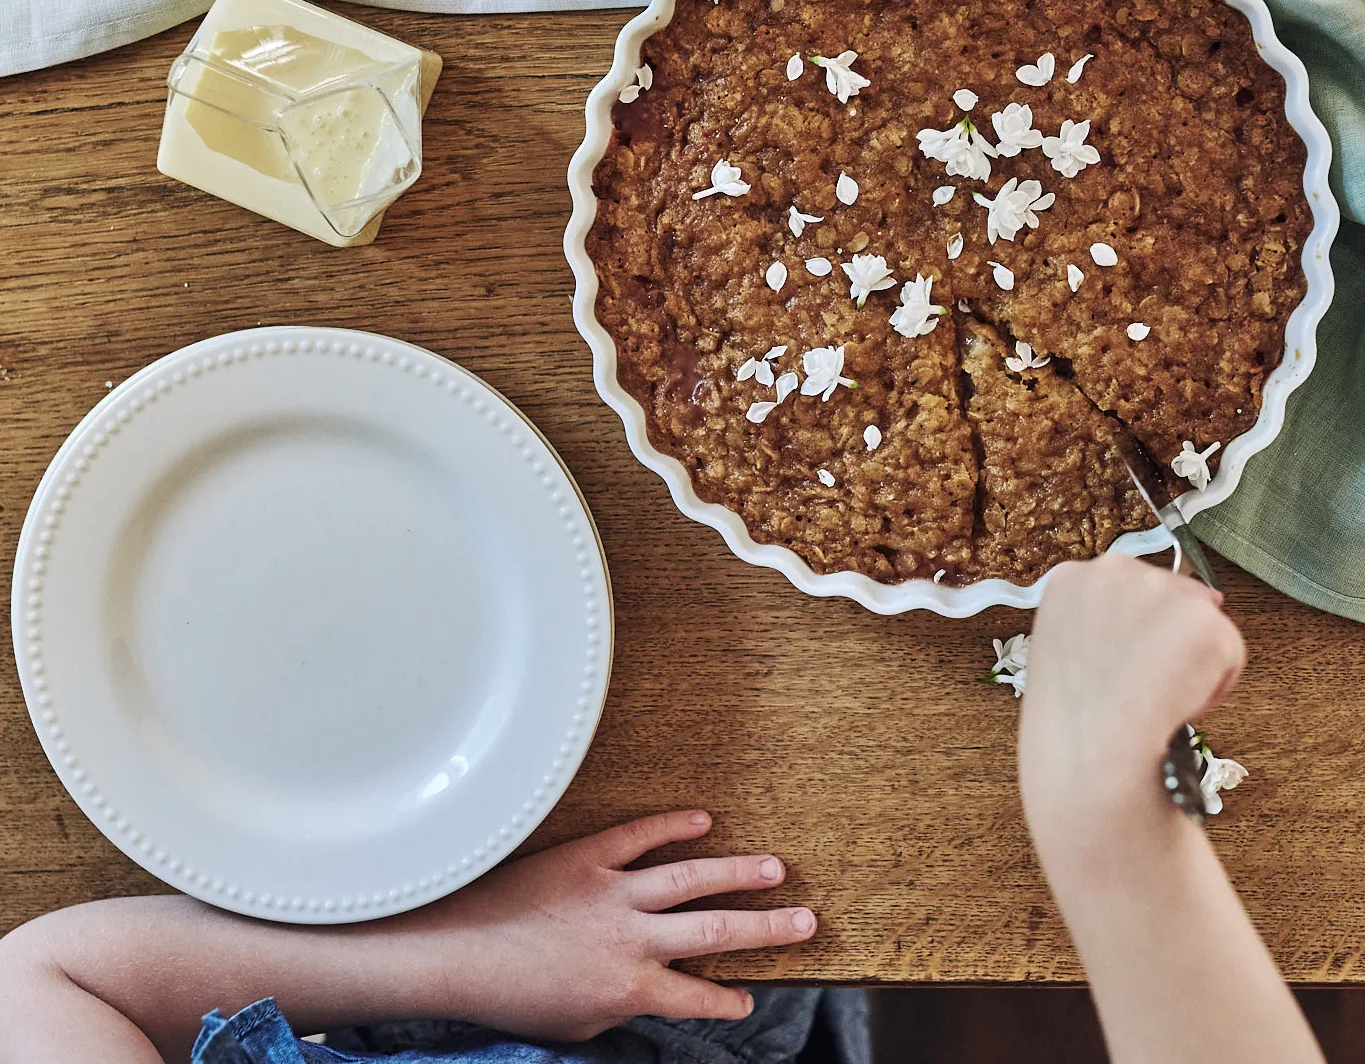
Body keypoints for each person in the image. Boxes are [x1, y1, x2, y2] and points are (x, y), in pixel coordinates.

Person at [0, 557, 1327, 1064]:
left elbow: (47, 984)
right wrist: (1094, 805)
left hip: (468, 963)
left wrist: (485, 959)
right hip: (733, 1007)